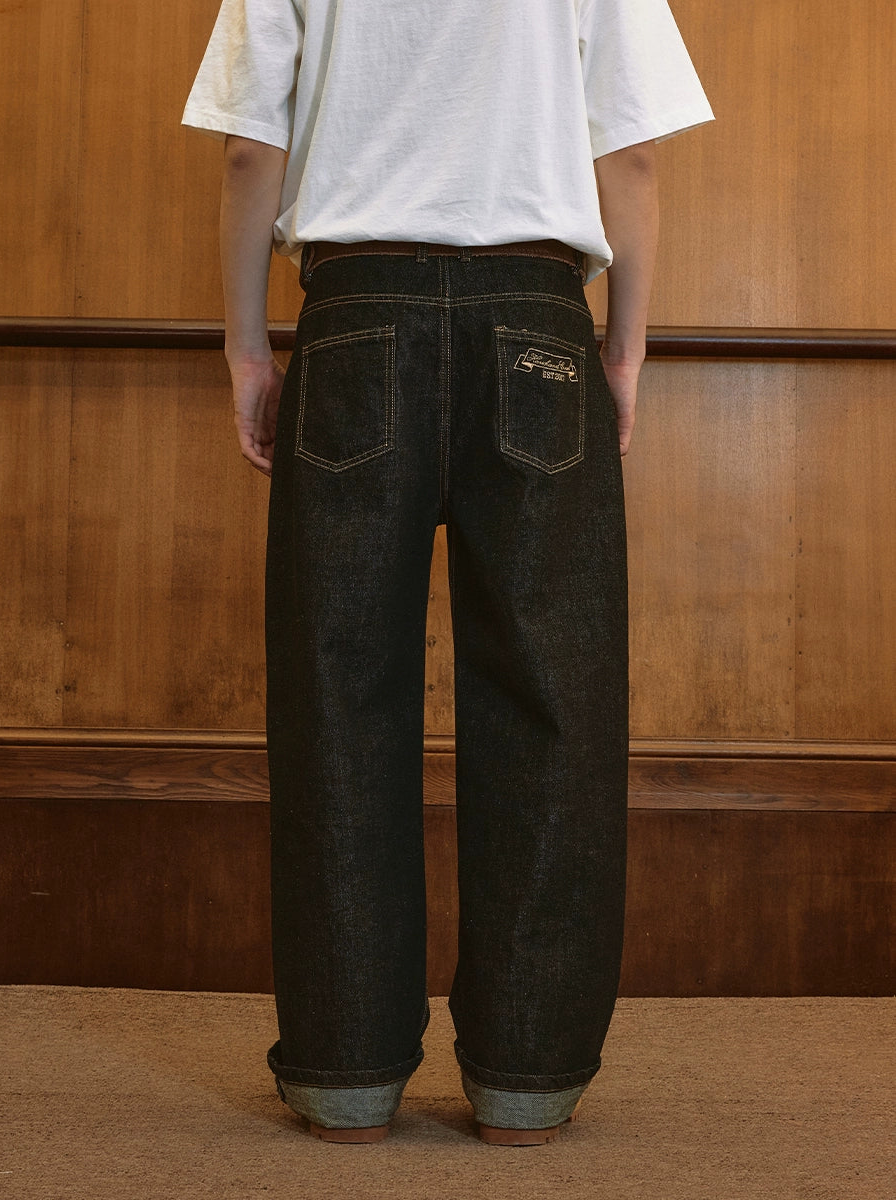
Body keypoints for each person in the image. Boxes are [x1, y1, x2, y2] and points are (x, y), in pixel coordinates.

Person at [183, 0, 712, 1146]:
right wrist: (623, 351)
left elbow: (248, 150)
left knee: (335, 697)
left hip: (353, 318)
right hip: (537, 320)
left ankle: (344, 1077)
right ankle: (529, 1078)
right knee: (553, 702)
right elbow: (631, 154)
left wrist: (245, 345)